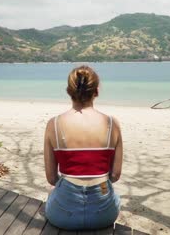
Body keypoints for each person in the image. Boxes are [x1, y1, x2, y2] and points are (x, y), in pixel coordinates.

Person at [43, 65, 123, 230]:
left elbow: (51, 178)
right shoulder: (112, 124)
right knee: (115, 195)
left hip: (64, 217)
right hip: (104, 216)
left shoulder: (54, 124)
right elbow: (115, 175)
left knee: (51, 191)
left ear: (68, 91)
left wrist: (71, 189)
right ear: (96, 91)